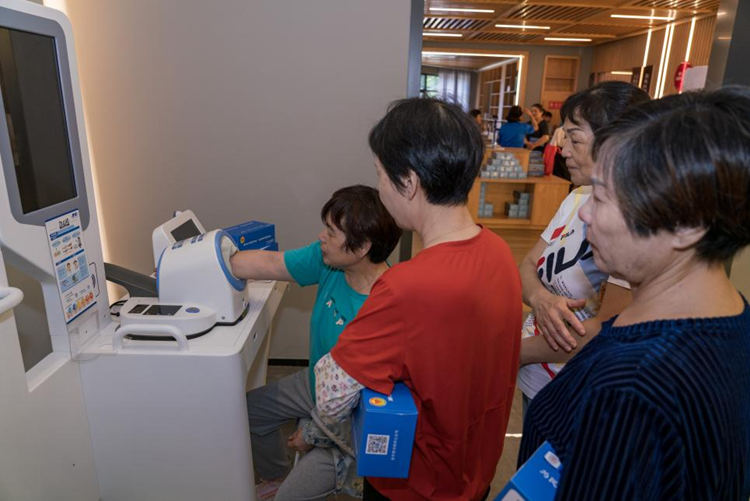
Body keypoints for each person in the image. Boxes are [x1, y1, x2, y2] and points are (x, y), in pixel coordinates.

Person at [519, 87, 750, 500]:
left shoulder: (631, 385)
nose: (585, 212)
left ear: (684, 225)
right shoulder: (731, 318)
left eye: (603, 196)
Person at [315, 98, 522, 500]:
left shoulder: (406, 286)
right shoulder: (498, 251)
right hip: (475, 473)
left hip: (415, 484)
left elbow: (331, 397)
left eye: (380, 174)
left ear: (408, 182)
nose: (380, 188)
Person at [231, 185, 401, 500]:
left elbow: (352, 403)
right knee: (245, 413)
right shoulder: (330, 262)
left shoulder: (382, 309)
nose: (321, 237)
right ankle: (276, 475)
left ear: (362, 247)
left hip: (349, 420)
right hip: (314, 385)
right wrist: (210, 260)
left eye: (331, 232)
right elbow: (270, 263)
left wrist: (312, 434)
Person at [517, 82, 650, 411]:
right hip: (535, 375)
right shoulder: (578, 197)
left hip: (579, 388)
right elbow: (528, 265)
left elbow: (604, 329)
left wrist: (512, 353)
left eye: (575, 140)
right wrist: (541, 298)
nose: (563, 150)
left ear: (617, 144)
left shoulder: (637, 226)